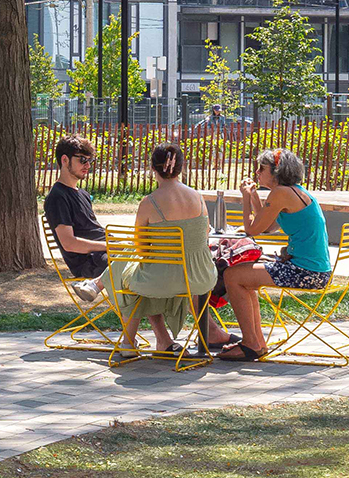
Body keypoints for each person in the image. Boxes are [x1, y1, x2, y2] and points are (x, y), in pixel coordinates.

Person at [106, 144, 229, 362]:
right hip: (200, 278)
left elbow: (141, 247)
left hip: (163, 280)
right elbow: (205, 234)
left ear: (153, 168)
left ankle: (127, 342)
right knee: (145, 278)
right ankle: (164, 340)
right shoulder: (198, 197)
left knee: (129, 276)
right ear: (181, 167)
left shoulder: (149, 202)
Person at [217, 147, 332, 364]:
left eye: (262, 168)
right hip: (315, 269)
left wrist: (244, 198)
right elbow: (269, 226)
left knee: (233, 276)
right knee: (242, 275)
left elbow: (252, 229)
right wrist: (253, 196)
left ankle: (252, 343)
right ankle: (255, 343)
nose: (257, 172)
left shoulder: (281, 193)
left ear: (277, 171)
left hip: (306, 272)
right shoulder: (296, 191)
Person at [44, 137, 107, 304]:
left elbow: (92, 230)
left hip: (105, 253)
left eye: (90, 160)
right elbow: (69, 243)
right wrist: (109, 246)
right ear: (65, 160)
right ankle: (95, 284)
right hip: (90, 261)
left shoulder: (83, 194)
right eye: (82, 160)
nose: (87, 165)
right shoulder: (57, 197)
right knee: (134, 260)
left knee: (147, 254)